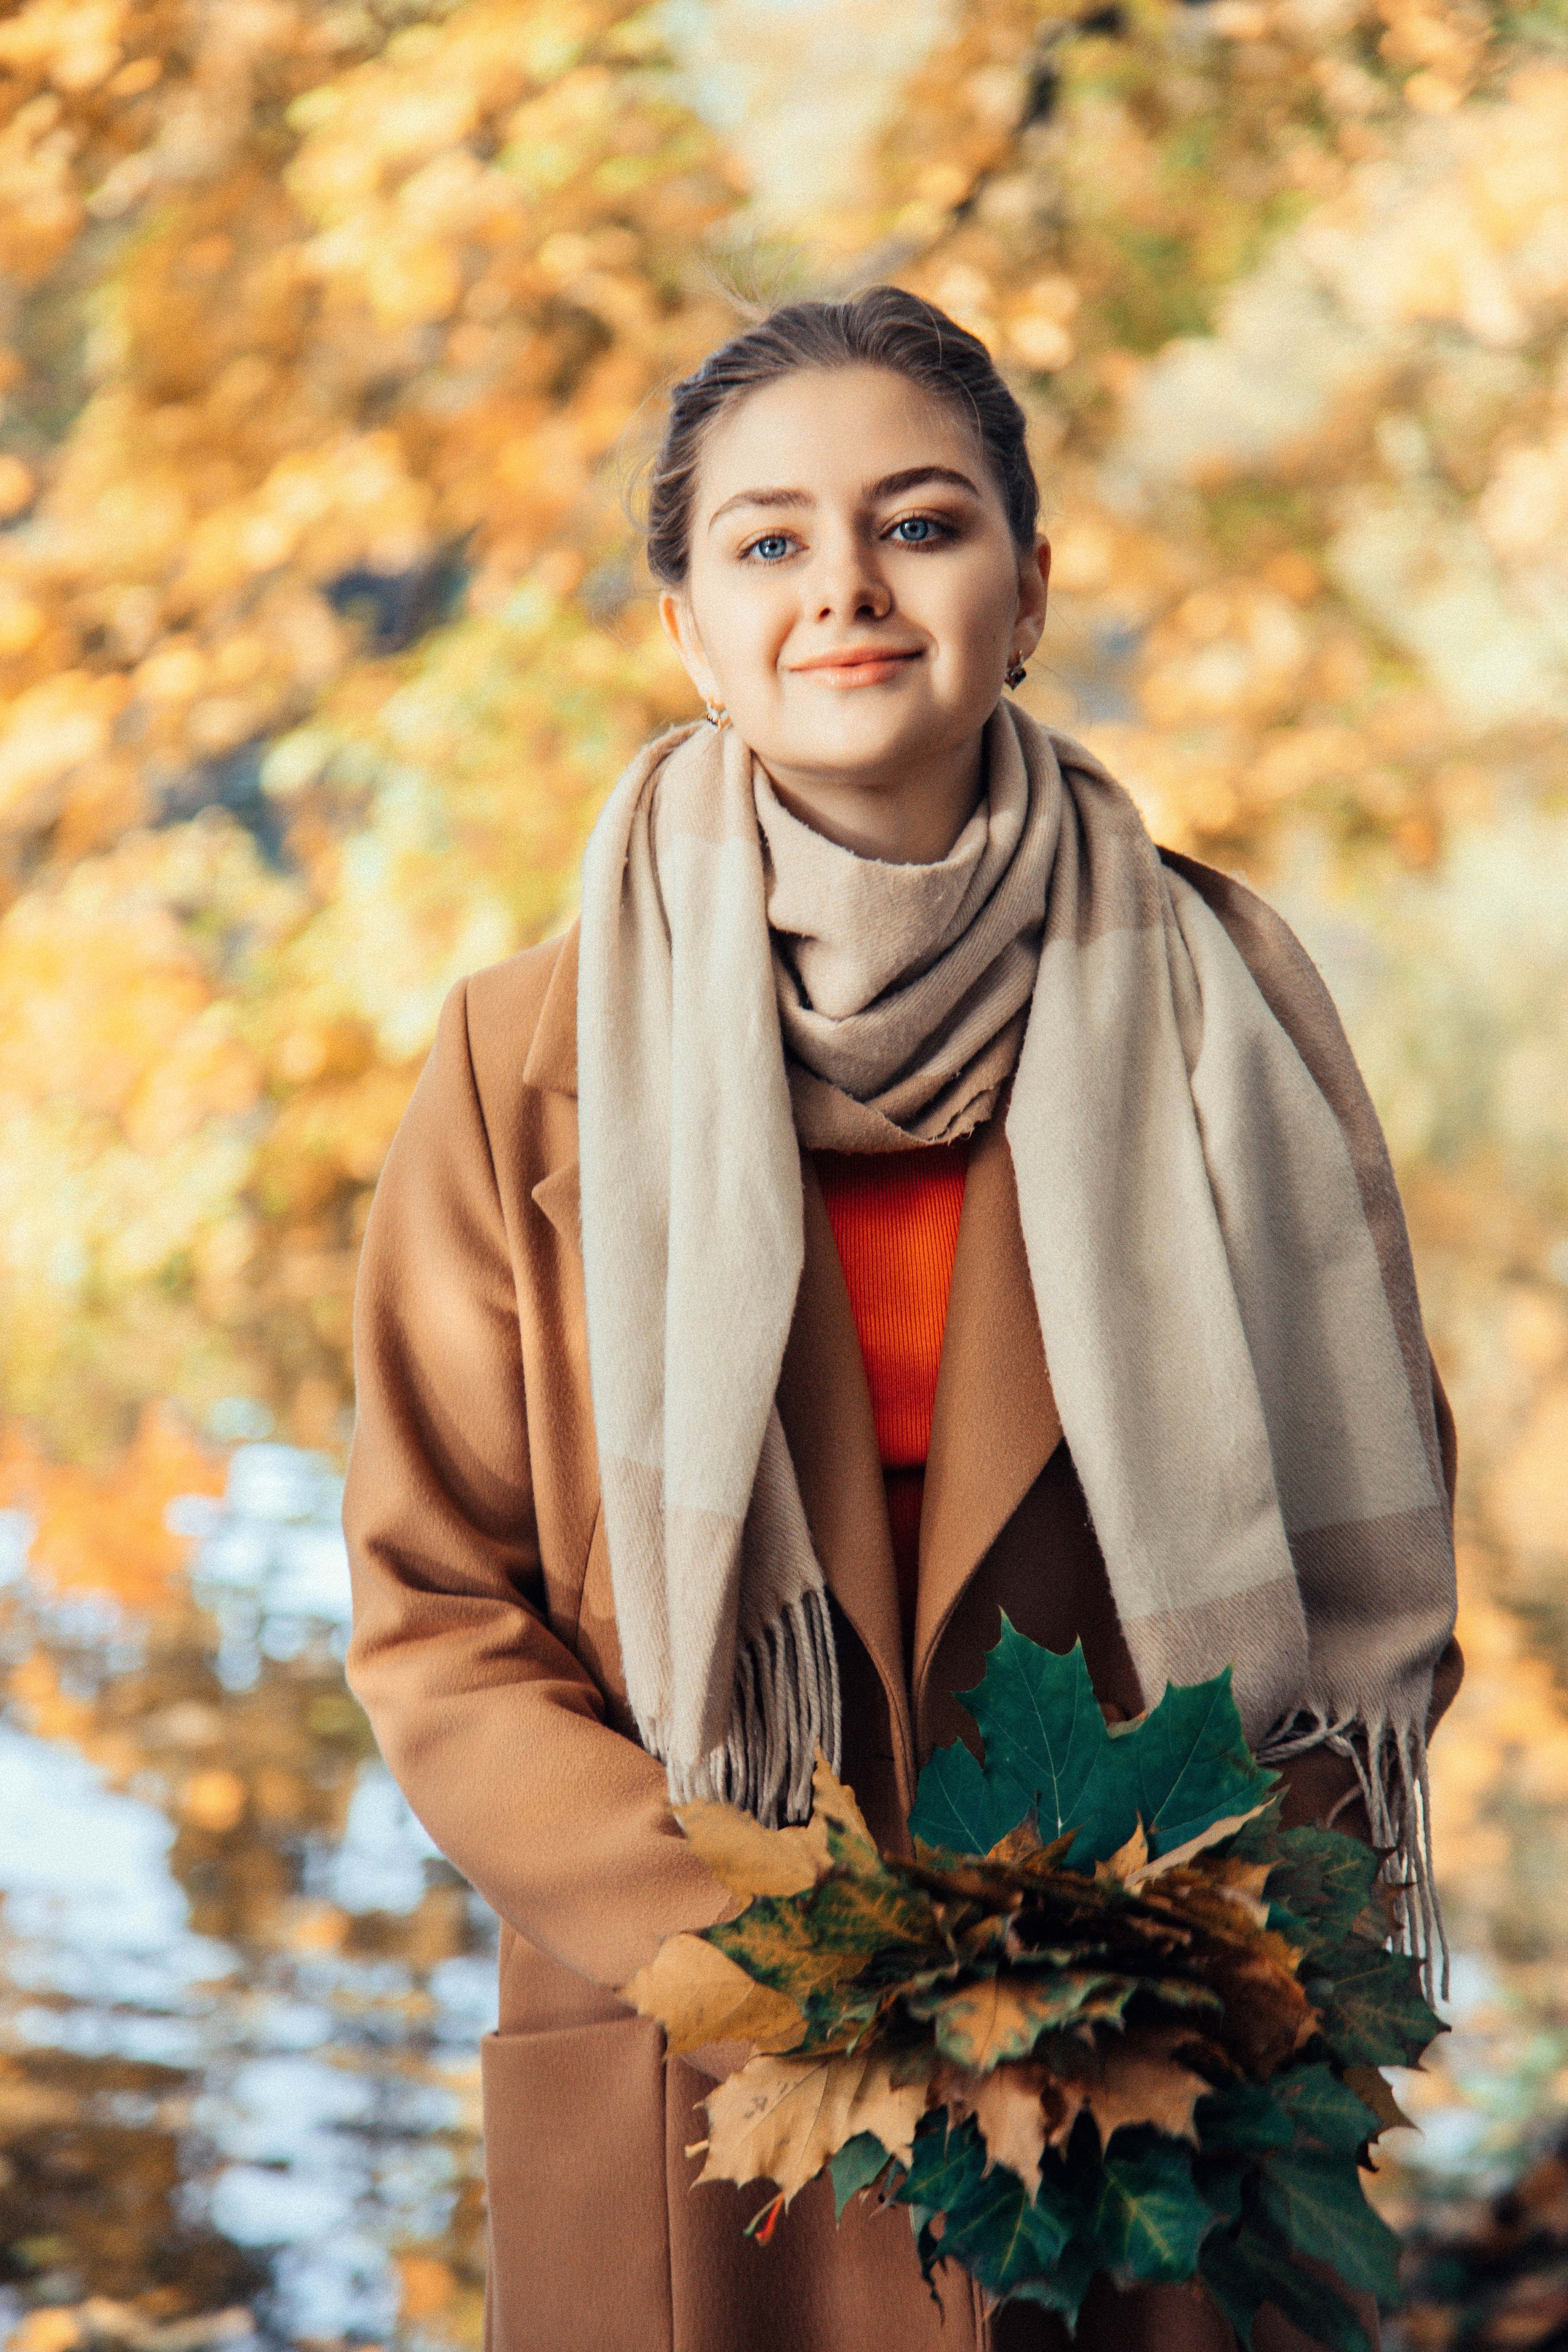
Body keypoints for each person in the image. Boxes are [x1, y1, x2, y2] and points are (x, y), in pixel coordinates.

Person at [342, 287, 1463, 2352]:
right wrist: (802, 1962)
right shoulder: (527, 1053)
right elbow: (438, 1621)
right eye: (767, 541)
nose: (843, 586)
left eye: (920, 524)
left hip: (1147, 2073)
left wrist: (1178, 1969)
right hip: (713, 2081)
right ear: (687, 628)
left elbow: (1367, 1582)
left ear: (1029, 588)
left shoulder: (1233, 1003)